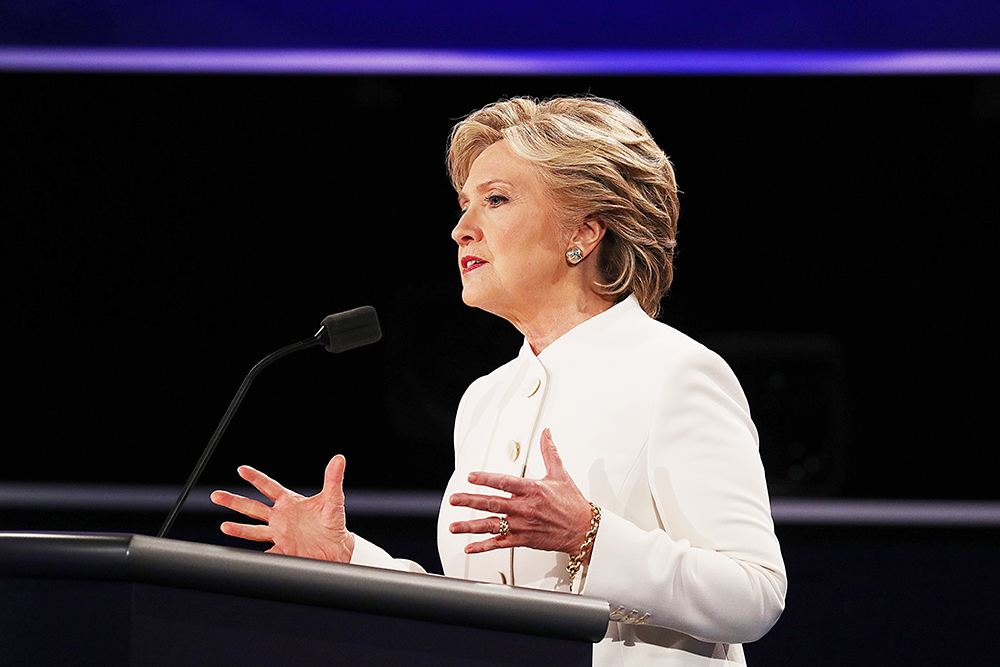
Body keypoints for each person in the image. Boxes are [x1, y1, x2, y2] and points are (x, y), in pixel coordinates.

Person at [211, 96, 786, 665]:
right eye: (464, 205)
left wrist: (591, 535)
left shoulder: (676, 374)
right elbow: (487, 611)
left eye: (496, 200)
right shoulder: (486, 397)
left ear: (582, 233)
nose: (462, 229)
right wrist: (349, 558)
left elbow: (755, 594)